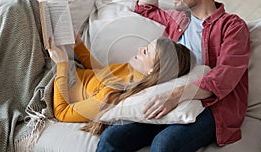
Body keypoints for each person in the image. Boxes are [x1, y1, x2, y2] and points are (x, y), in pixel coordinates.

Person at [96, 0, 251, 152]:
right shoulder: (179, 18)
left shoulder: (233, 27)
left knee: (164, 144)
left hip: (212, 106)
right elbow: (143, 9)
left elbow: (224, 77)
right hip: (166, 96)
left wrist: (175, 95)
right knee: (112, 137)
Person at [48, 34, 195, 134]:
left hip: (51, 84)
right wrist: (78, 43)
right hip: (67, 69)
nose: (139, 49)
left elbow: (62, 112)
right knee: (34, 8)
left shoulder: (114, 95)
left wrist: (61, 65)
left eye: (145, 52)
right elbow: (100, 75)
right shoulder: (130, 71)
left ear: (152, 70)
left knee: (26, 5)